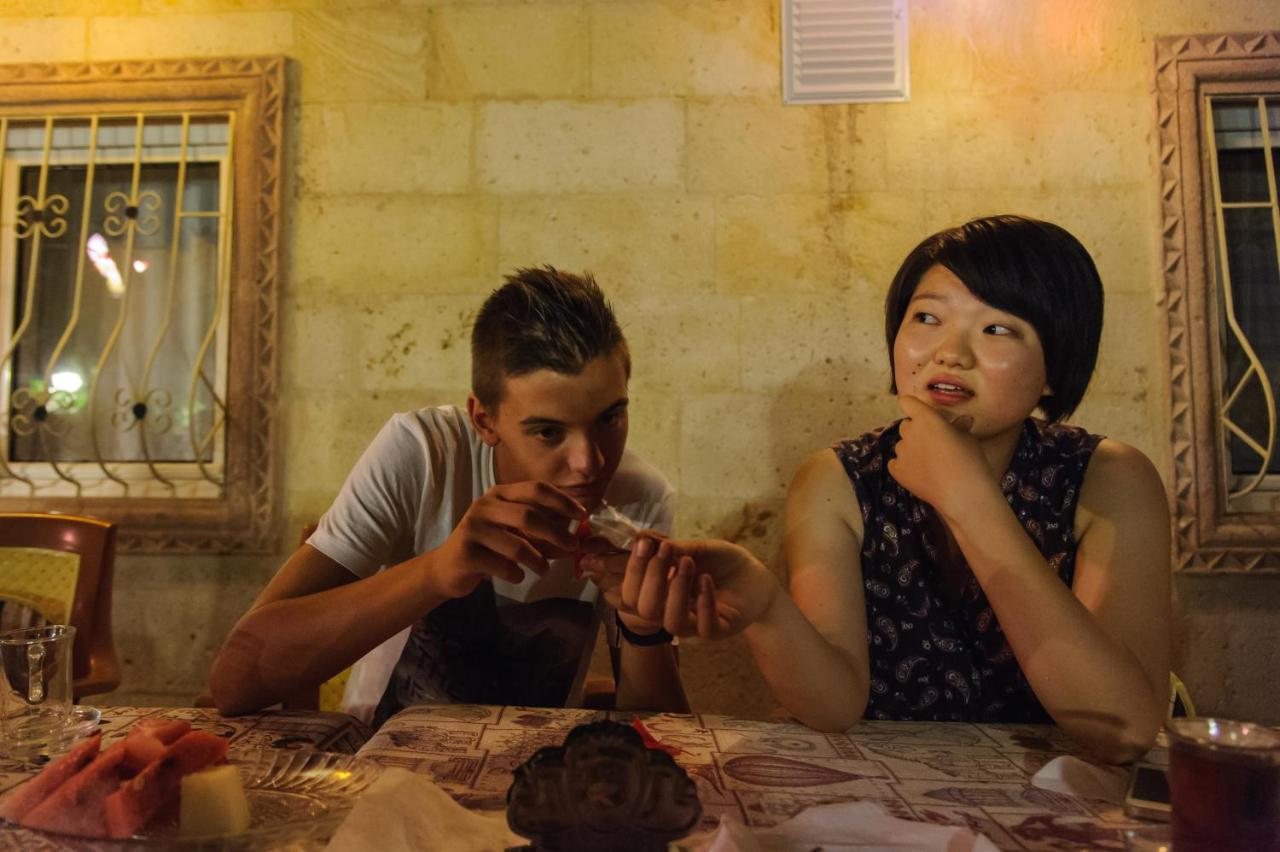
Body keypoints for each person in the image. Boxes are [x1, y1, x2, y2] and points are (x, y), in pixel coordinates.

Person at [588, 215, 1171, 763]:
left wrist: (968, 498)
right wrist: (763, 602)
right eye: (927, 318)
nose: (949, 352)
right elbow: (836, 705)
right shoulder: (838, 479)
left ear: (1054, 367)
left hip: (1057, 801)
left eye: (997, 329)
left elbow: (1122, 730)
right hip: (887, 801)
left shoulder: (1110, 479)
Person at [209, 267, 687, 724]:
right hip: (375, 759)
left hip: (532, 771)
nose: (590, 462)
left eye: (610, 418)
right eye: (548, 432)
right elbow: (234, 682)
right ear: (484, 420)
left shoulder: (639, 497)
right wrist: (438, 570)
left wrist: (643, 630)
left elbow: (661, 735)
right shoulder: (423, 453)